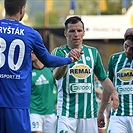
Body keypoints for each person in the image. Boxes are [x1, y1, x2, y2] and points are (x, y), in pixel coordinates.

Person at [0, 1, 81, 132]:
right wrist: (69, 59)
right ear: (22, 9)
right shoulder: (30, 34)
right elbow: (48, 60)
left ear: (5, 7)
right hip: (17, 103)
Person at [51, 16, 119, 133]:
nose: (76, 34)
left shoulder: (93, 53)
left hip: (89, 115)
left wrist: (113, 91)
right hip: (66, 114)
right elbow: (56, 75)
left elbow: (103, 78)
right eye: (72, 31)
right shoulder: (58, 52)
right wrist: (68, 60)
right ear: (65, 33)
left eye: (79, 30)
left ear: (83, 33)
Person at [106, 28, 133, 133]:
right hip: (118, 115)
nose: (127, 50)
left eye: (131, 48)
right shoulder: (114, 59)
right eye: (126, 46)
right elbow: (108, 83)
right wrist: (101, 111)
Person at [30, 51, 57, 133]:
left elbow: (58, 87)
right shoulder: (29, 72)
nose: (30, 55)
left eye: (32, 52)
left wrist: (57, 103)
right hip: (34, 112)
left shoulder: (50, 70)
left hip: (50, 112)